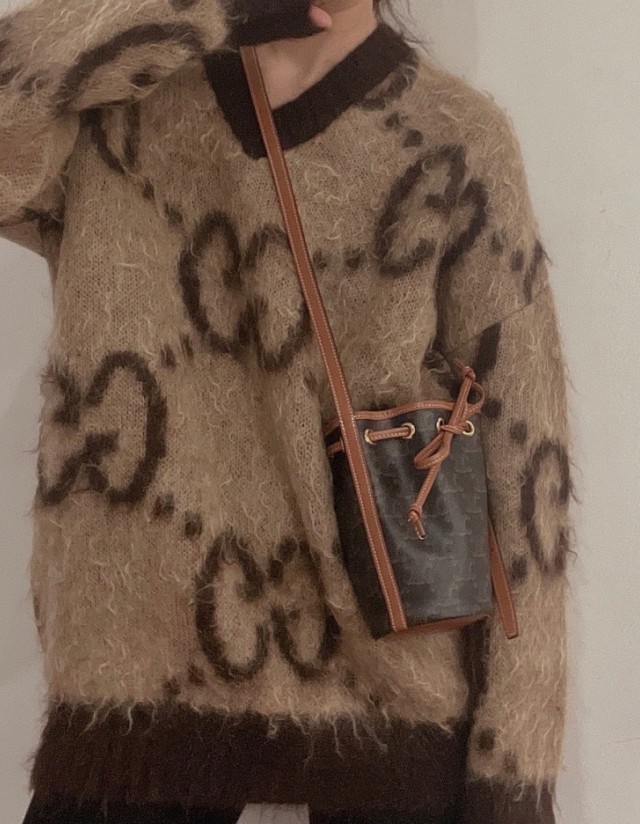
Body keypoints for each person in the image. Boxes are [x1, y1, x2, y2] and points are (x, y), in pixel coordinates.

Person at [0, 1, 577, 822]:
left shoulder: (454, 137)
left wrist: (514, 775)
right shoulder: (123, 105)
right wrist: (206, 8)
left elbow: (526, 466)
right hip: (134, 671)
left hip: (393, 676)